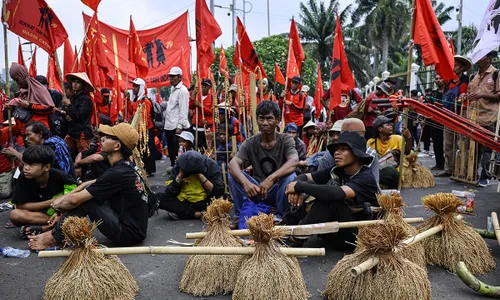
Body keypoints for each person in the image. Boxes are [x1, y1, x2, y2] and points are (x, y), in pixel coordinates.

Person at [28, 123, 149, 250]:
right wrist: (61, 208)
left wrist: (57, 205)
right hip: (135, 228)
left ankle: (53, 238)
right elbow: (89, 184)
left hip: (128, 235)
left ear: (117, 146)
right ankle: (54, 232)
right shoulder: (126, 166)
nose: (101, 139)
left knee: (88, 200)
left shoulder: (117, 173)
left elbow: (75, 200)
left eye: (107, 137)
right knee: (88, 193)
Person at [284, 131, 378, 250]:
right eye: (337, 149)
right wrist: (296, 188)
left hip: (356, 237)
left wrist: (299, 186)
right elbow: (307, 176)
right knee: (304, 192)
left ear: (357, 154)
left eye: (343, 149)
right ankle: (285, 230)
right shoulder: (338, 170)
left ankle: (295, 239)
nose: (337, 153)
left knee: (329, 200)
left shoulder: (365, 177)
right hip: (334, 232)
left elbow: (337, 193)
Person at [228, 101, 299, 227]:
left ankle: (280, 217)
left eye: (269, 118)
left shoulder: (285, 140)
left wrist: (271, 178)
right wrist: (246, 183)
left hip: (276, 190)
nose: (265, 123)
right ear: (257, 120)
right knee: (233, 175)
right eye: (261, 118)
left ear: (277, 121)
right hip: (256, 189)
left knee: (291, 177)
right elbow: (233, 164)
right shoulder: (250, 142)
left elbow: (294, 161)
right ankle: (239, 215)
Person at [10, 145, 77, 238]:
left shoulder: (60, 176)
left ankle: (47, 227)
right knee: (15, 214)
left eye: (32, 165)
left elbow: (76, 193)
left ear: (46, 167)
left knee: (73, 214)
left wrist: (62, 204)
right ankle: (55, 225)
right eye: (25, 164)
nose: (26, 168)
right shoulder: (23, 177)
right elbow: (20, 206)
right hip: (40, 214)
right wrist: (52, 202)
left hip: (59, 213)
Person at [462, 52, 499, 187]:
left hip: (488, 117)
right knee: (472, 148)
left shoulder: (496, 74)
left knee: (487, 150)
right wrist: (464, 96)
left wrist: (482, 94)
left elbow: (499, 95)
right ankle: (472, 174)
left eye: (481, 56)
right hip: (473, 118)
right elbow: (470, 94)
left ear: (489, 59)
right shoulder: (473, 76)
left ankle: (485, 176)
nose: (478, 59)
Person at [159, 151, 224, 220]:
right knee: (160, 198)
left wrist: (200, 175)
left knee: (226, 199)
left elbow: (218, 192)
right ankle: (199, 214)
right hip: (183, 201)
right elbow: (169, 192)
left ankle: (182, 213)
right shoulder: (179, 165)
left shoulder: (210, 165)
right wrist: (180, 175)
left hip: (203, 201)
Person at [437, 55, 471, 177]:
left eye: (456, 65)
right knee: (448, 143)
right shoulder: (448, 80)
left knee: (462, 143)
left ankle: (463, 169)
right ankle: (449, 168)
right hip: (449, 114)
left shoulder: (467, 80)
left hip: (463, 113)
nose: (453, 67)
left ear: (462, 67)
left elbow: (470, 95)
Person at [317, 118, 380, 184]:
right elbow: (318, 180)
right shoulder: (329, 156)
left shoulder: (371, 154)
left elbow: (374, 183)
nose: (335, 137)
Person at [8, 63, 54, 147]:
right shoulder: (21, 92)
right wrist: (12, 108)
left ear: (22, 76)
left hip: (38, 133)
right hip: (25, 133)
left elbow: (50, 108)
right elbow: (21, 114)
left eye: (17, 79)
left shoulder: (38, 89)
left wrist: (29, 106)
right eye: (14, 80)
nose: (16, 82)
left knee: (38, 157)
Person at [368, 116, 412, 189]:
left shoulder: (398, 138)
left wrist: (409, 138)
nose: (391, 126)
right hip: (379, 174)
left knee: (390, 171)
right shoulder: (371, 142)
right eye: (388, 125)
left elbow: (407, 152)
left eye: (391, 124)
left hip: (394, 175)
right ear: (380, 129)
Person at [130, 78, 159, 176]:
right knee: (140, 150)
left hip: (145, 130)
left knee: (147, 150)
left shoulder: (145, 101)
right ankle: (141, 168)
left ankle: (149, 170)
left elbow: (145, 118)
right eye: (133, 86)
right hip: (138, 130)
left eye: (136, 86)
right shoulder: (136, 100)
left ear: (141, 88)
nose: (133, 88)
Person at [164, 66, 190, 166]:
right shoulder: (173, 89)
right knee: (171, 150)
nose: (170, 79)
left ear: (179, 77)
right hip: (169, 125)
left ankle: (178, 170)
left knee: (177, 151)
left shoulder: (183, 90)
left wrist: (179, 126)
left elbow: (184, 110)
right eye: (170, 77)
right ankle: (173, 169)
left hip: (176, 127)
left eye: (173, 77)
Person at [63, 72, 93, 154]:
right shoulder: (72, 97)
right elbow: (70, 114)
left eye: (78, 82)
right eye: (74, 82)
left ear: (83, 85)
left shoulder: (86, 99)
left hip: (82, 133)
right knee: (62, 152)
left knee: (84, 156)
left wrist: (69, 105)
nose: (75, 84)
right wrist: (67, 115)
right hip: (72, 131)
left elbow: (79, 115)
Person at [189, 78, 214, 150]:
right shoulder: (197, 96)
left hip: (205, 128)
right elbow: (191, 106)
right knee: (195, 147)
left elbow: (211, 112)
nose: (203, 88)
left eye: (206, 86)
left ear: (209, 87)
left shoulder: (211, 97)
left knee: (205, 148)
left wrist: (200, 106)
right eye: (202, 86)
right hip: (196, 126)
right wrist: (193, 95)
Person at [430, 74, 446, 171]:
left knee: (447, 143)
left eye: (441, 78)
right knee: (436, 142)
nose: (439, 80)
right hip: (435, 120)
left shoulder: (448, 92)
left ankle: (448, 164)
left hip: (446, 119)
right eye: (437, 79)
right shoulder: (433, 93)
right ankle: (439, 163)